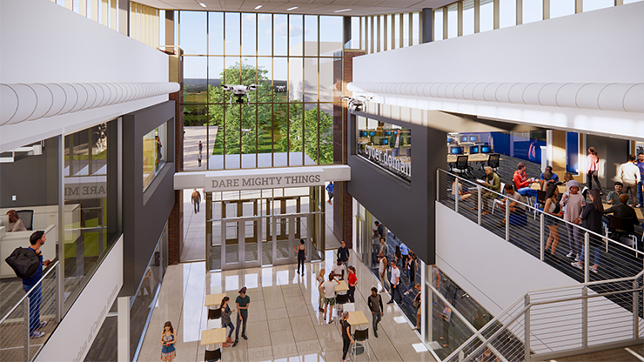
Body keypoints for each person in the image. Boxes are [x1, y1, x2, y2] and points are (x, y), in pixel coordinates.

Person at [22, 231, 51, 338]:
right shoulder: (31, 254)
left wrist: (43, 263)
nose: (45, 239)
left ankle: (36, 323)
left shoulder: (36, 252)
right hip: (31, 284)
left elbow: (34, 266)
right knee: (32, 307)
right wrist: (39, 257)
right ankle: (31, 332)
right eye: (44, 237)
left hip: (37, 282)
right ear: (39, 240)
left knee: (38, 302)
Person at [572, 189, 603, 274]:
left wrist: (583, 207)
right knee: (596, 248)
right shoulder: (600, 206)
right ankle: (595, 266)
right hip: (597, 230)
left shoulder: (590, 206)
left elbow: (584, 216)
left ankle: (580, 263)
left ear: (591, 195)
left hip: (589, 229)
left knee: (585, 246)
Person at [561, 180, 584, 261]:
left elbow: (583, 208)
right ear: (570, 188)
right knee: (570, 235)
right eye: (572, 188)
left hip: (577, 219)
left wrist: (579, 218)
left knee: (576, 236)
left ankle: (579, 253)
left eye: (576, 188)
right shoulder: (566, 194)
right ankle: (572, 250)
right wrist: (564, 199)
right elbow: (561, 204)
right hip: (568, 217)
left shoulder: (581, 197)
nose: (574, 189)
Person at [543, 184, 562, 256]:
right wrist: (557, 215)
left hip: (555, 219)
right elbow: (545, 211)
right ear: (553, 191)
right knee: (557, 238)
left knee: (551, 236)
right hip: (551, 220)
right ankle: (552, 254)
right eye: (556, 190)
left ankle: (546, 249)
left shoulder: (556, 198)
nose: (558, 191)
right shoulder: (549, 200)